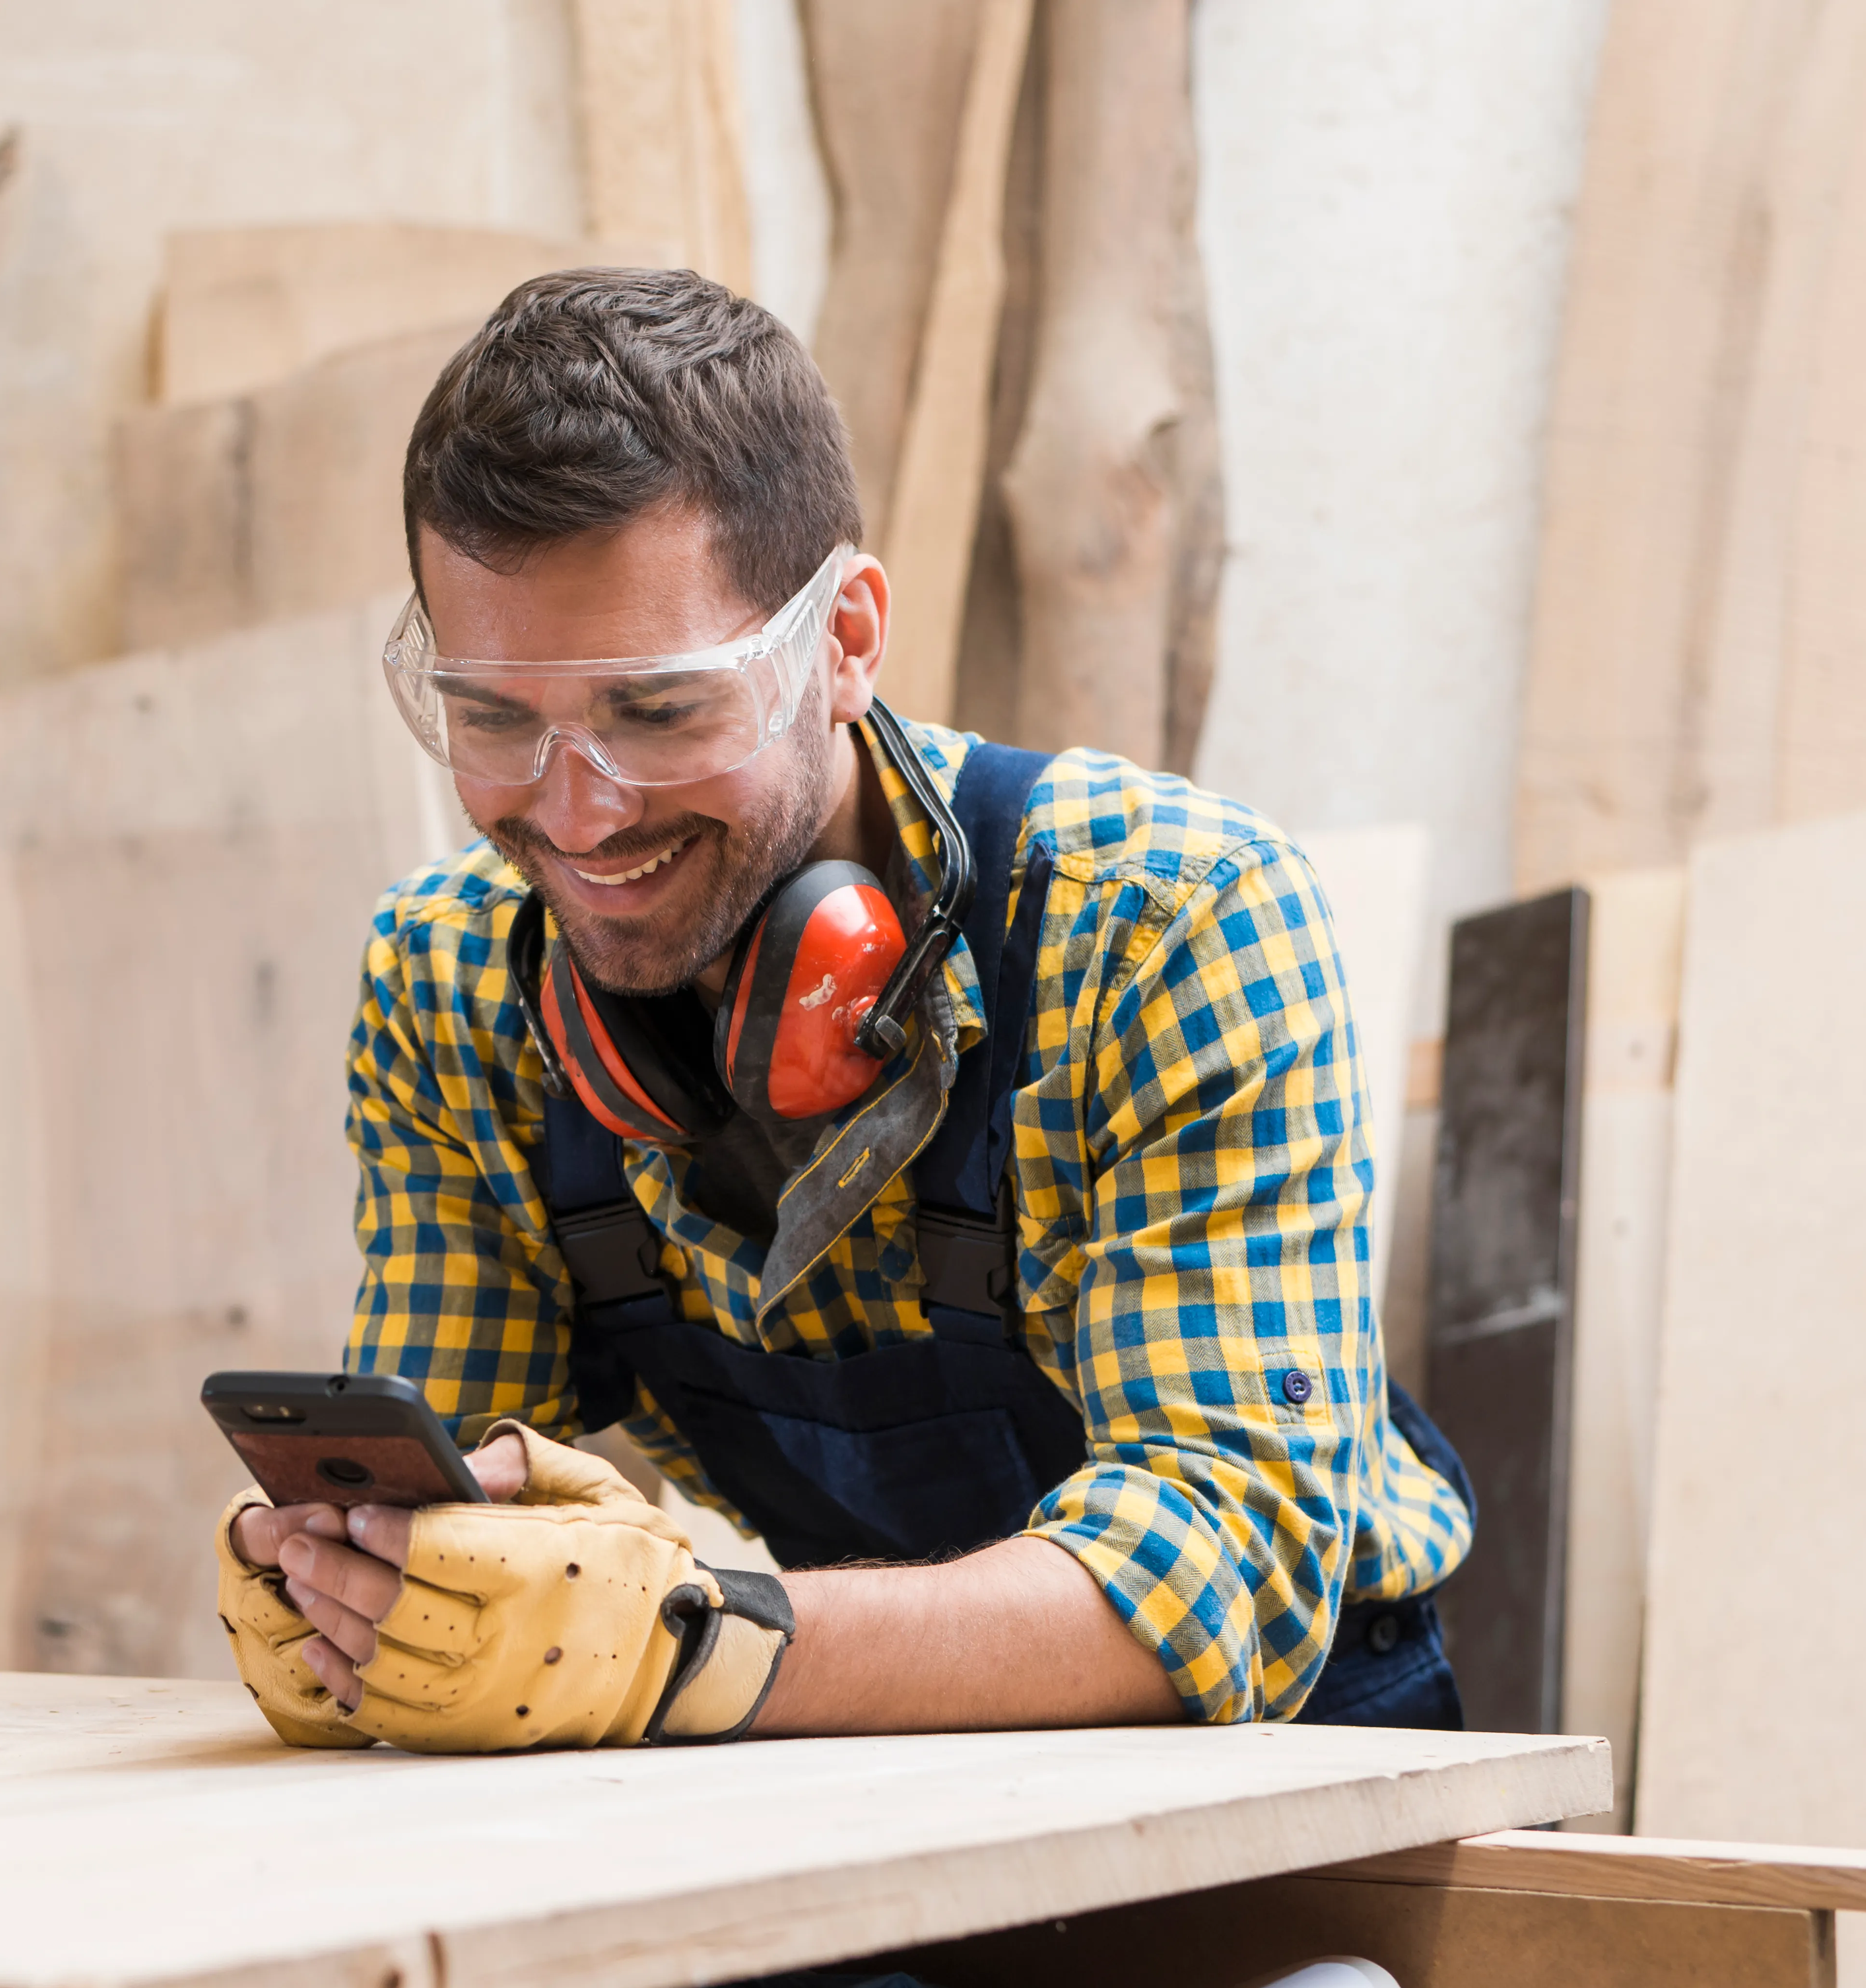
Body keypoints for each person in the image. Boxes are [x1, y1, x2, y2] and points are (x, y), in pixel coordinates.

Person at [214, 267, 1475, 1754]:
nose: (574, 816)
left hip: (1278, 1765)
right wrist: (360, 1594)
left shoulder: (1163, 927)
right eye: (492, 716)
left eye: (659, 708)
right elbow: (439, 1481)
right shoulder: (454, 990)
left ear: (846, 641)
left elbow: (1225, 1575)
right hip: (837, 1741)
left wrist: (695, 1647)